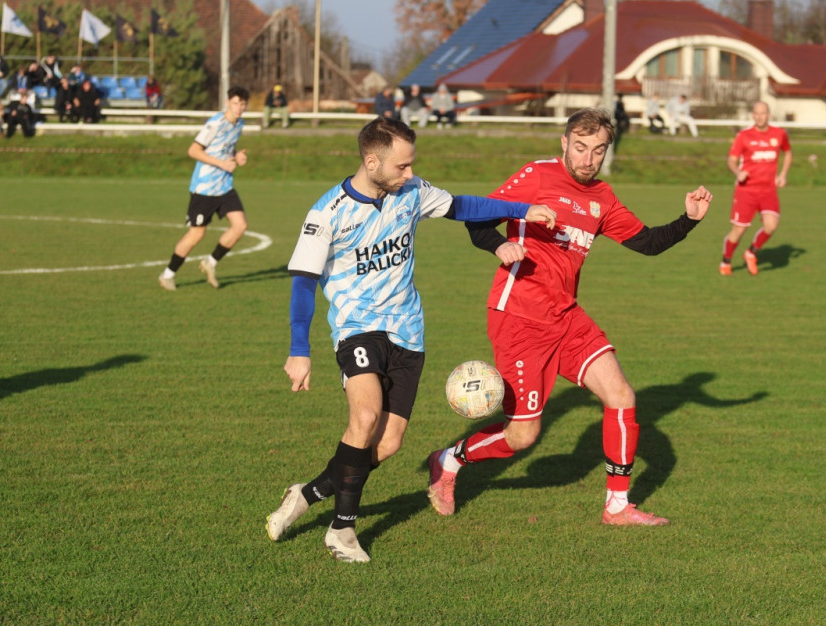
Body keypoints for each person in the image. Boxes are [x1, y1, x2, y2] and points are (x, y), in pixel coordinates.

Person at [267, 117, 557, 562]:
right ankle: (342, 530)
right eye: (401, 166)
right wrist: (298, 350)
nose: (409, 173)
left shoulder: (411, 192)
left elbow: (463, 206)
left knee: (387, 444)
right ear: (372, 162)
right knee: (365, 417)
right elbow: (304, 283)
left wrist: (522, 210)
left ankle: (307, 494)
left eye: (410, 165)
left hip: (408, 331)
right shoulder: (326, 214)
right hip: (357, 326)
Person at [424, 107, 714, 527]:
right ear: (564, 143)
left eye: (598, 150)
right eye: (580, 147)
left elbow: (648, 243)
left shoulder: (603, 197)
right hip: (519, 317)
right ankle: (449, 460)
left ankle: (617, 506)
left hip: (566, 316)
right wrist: (499, 246)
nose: (587, 159)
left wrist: (689, 220)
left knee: (621, 396)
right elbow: (478, 217)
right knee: (522, 436)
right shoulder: (538, 176)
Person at [157, 86, 254, 291]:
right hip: (204, 188)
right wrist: (222, 164)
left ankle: (210, 263)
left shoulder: (240, 124)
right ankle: (167, 275)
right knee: (197, 234)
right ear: (227, 103)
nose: (239, 108)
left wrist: (237, 156)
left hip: (225, 186)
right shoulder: (215, 124)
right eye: (235, 103)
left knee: (240, 226)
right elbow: (193, 150)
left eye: (243, 104)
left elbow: (226, 148)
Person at [720, 100, 792, 276]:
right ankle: (726, 260)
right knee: (739, 230)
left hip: (768, 190)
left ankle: (751, 252)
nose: (760, 117)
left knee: (771, 226)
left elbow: (788, 152)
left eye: (763, 113)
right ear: (753, 115)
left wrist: (783, 174)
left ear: (769, 115)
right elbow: (731, 160)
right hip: (746, 191)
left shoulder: (779, 134)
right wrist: (738, 172)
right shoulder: (744, 136)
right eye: (757, 114)